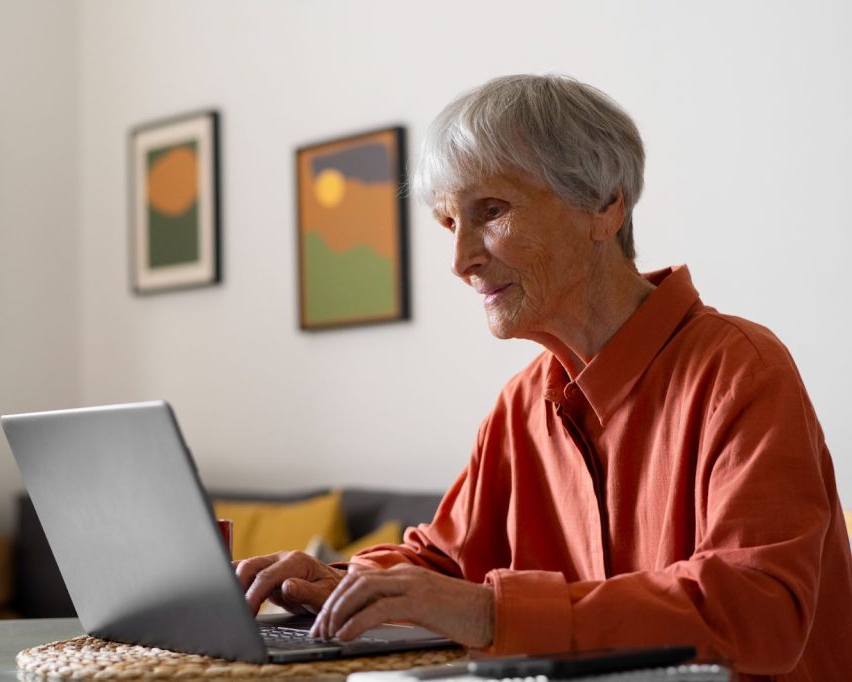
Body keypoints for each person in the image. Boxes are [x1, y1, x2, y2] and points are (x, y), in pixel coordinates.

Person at [235, 75, 852, 680]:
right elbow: (445, 565)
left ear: (605, 205)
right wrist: (337, 584)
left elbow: (760, 610)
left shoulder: (740, 369)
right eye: (450, 223)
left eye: (491, 211)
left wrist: (491, 610)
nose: (459, 260)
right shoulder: (522, 402)